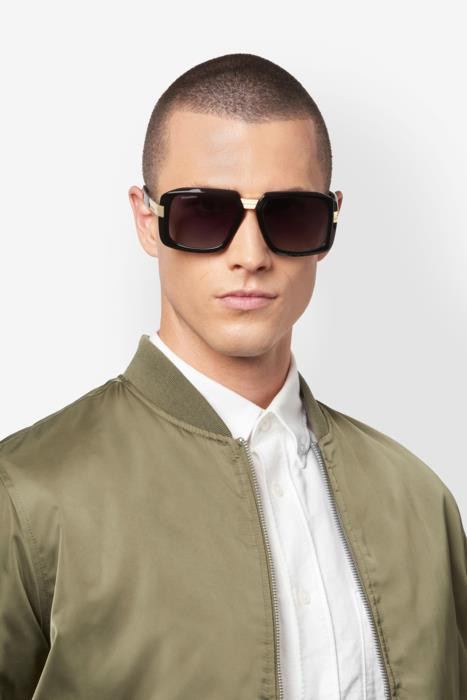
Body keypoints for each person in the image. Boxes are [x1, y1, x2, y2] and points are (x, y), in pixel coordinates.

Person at [0, 52, 465, 700]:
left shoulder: (419, 502)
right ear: (148, 220)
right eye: (205, 214)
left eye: (290, 215)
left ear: (330, 223)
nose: (251, 255)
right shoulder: (25, 494)